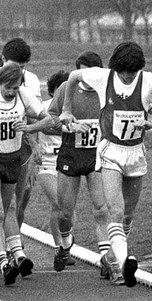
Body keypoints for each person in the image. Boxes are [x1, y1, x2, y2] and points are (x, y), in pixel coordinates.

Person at [60, 42, 152, 287]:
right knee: (115, 211)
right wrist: (66, 110)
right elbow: (74, 76)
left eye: (133, 71)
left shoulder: (148, 81)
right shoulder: (102, 77)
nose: (128, 76)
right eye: (124, 72)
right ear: (116, 68)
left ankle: (110, 258)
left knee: (128, 215)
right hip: (110, 152)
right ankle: (125, 261)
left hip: (136, 153)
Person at [0, 63, 54, 285]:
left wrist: (28, 128)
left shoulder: (23, 95)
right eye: (7, 88)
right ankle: (5, 261)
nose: (11, 92)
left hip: (13, 158)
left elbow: (48, 119)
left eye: (15, 87)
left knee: (8, 209)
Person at [0, 37, 42, 263]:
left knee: (16, 202)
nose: (18, 71)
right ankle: (1, 252)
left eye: (23, 67)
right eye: (14, 65)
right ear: (3, 60)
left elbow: (33, 115)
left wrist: (35, 147)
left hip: (19, 149)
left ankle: (7, 250)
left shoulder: (29, 82)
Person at [49, 51, 112, 276]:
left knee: (102, 210)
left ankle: (106, 258)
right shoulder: (66, 89)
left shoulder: (107, 90)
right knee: (65, 213)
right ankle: (65, 244)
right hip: (71, 155)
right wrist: (69, 127)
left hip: (97, 156)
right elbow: (50, 121)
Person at [35, 70, 69, 263]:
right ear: (52, 91)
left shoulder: (74, 109)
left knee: (67, 209)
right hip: (47, 161)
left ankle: (66, 244)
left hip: (67, 162)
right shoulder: (44, 108)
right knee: (57, 203)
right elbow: (40, 125)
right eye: (59, 89)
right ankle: (60, 248)